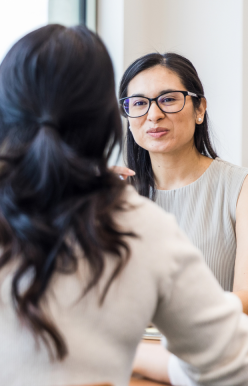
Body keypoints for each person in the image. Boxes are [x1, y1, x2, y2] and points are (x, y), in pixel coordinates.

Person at [0, 25, 248, 386]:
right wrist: (150, 359)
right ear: (110, 122)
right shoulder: (139, 227)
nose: (154, 114)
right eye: (139, 103)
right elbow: (233, 363)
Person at [116, 53, 248, 384]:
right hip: (133, 361)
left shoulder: (239, 187)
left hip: (209, 362)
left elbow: (244, 300)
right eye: (139, 104)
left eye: (169, 99)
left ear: (200, 108)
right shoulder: (115, 196)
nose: (154, 115)